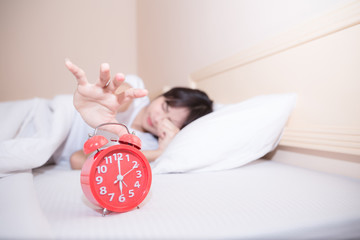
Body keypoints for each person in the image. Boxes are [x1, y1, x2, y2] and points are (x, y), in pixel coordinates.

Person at [65, 59, 213, 169]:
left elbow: (76, 160)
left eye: (169, 122)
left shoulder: (148, 145)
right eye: (164, 107)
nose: (157, 119)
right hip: (59, 115)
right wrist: (111, 97)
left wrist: (160, 152)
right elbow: (120, 93)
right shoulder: (136, 93)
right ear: (162, 95)